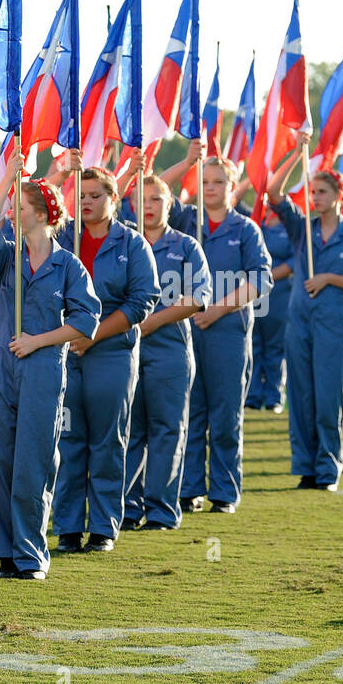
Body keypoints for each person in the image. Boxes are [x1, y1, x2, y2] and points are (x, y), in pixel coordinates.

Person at [0, 154, 100, 578]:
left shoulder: (68, 265)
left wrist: (38, 341)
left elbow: (86, 322)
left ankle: (30, 554)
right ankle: (4, 550)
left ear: (43, 214)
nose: (12, 212)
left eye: (19, 207)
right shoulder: (6, 255)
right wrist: (10, 176)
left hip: (43, 367)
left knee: (35, 459)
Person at [50, 158, 160, 552]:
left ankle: (103, 528)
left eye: (96, 195)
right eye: (80, 196)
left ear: (114, 199)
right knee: (67, 439)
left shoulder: (133, 244)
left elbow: (142, 302)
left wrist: (91, 336)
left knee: (108, 440)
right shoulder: (61, 239)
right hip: (65, 353)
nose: (87, 202)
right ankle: (66, 527)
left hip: (111, 354)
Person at [267, 137, 343, 490]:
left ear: (339, 196)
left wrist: (331, 278)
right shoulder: (302, 230)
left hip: (333, 328)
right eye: (312, 191)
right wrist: (294, 152)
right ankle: (306, 467)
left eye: (321, 192)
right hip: (299, 326)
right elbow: (272, 192)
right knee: (300, 400)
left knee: (328, 401)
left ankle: (328, 470)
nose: (314, 197)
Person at [163, 146, 272, 513]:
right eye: (204, 181)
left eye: (218, 181)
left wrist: (215, 311)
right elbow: (155, 188)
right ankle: (189, 488)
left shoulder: (245, 230)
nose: (210, 188)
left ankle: (224, 492)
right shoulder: (184, 220)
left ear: (232, 185)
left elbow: (261, 280)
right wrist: (187, 162)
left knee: (225, 416)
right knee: (190, 412)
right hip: (187, 330)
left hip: (228, 331)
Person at [123, 174, 211, 528]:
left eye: (156, 198)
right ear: (130, 205)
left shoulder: (187, 246)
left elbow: (199, 298)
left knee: (167, 430)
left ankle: (160, 510)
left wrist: (151, 322)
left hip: (169, 349)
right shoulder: (124, 243)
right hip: (124, 349)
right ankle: (126, 509)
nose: (148, 205)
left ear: (170, 204)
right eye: (141, 199)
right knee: (128, 430)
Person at [246, 206, 293, 412]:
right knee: (253, 345)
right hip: (253, 294)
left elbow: (293, 261)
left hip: (279, 294)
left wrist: (267, 277)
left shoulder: (289, 229)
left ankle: (274, 396)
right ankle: (252, 396)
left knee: (275, 347)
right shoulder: (254, 224)